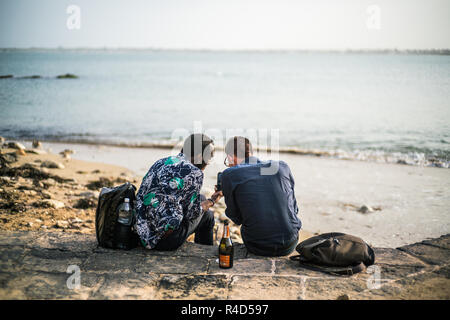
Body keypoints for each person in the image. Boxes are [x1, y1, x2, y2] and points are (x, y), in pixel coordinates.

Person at [134, 133, 223, 251]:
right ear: (199, 156)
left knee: (200, 197)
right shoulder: (194, 172)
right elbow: (192, 214)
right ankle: (206, 253)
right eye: (209, 156)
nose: (208, 161)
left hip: (140, 231)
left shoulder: (162, 162)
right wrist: (212, 201)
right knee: (208, 216)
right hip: (161, 240)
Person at [220, 136, 302, 256]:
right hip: (291, 242)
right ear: (252, 153)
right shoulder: (282, 167)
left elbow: (237, 218)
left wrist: (229, 192)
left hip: (258, 246)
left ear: (230, 157)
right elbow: (294, 209)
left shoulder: (229, 175)